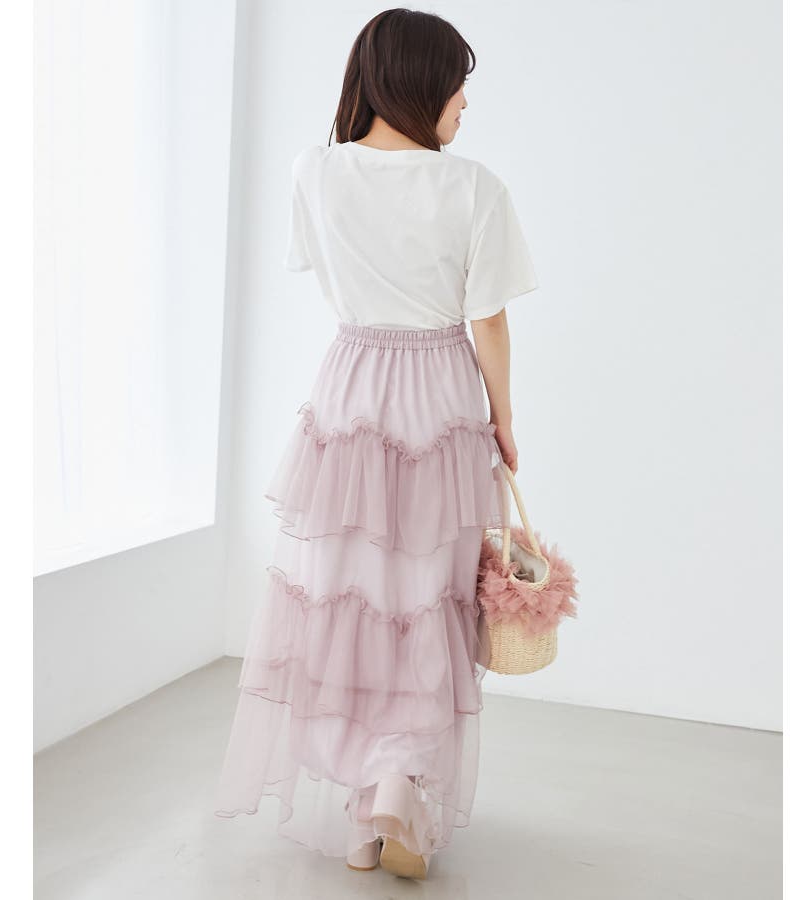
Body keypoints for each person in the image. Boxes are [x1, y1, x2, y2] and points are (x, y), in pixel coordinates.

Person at [213, 7, 538, 881]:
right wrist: (505, 418)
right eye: (458, 83)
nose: (465, 101)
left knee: (350, 593)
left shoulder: (314, 171)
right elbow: (489, 319)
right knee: (426, 595)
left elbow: (322, 267)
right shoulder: (473, 187)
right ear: (420, 82)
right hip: (440, 394)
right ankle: (398, 781)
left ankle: (363, 810)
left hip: (352, 387)